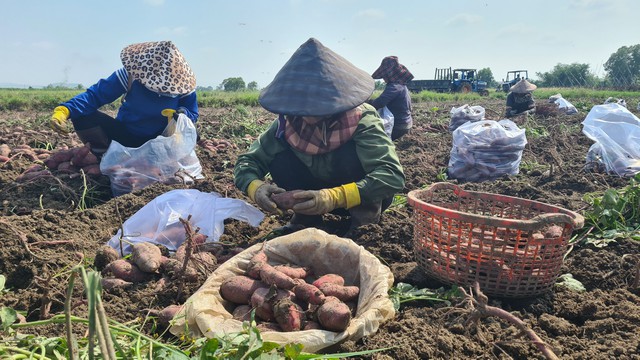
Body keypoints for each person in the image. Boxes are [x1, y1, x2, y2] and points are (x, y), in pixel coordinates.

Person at [234, 38, 405, 236]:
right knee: (279, 158)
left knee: (352, 156)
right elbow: (247, 162)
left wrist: (333, 197)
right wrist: (256, 188)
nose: (307, 116)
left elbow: (392, 175)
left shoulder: (361, 118)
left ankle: (363, 225)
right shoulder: (286, 124)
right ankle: (305, 220)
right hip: (308, 200)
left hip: (357, 197)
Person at [49, 41, 199, 156]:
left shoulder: (183, 86)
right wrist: (65, 110)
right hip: (124, 136)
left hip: (161, 143)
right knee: (83, 116)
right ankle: (104, 156)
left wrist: (181, 114)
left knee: (193, 133)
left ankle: (164, 162)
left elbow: (192, 113)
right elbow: (95, 95)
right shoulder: (131, 75)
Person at [368, 56, 414, 140]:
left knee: (371, 136)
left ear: (389, 75)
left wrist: (366, 103)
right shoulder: (401, 85)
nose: (384, 79)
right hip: (406, 122)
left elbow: (380, 102)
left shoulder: (395, 86)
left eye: (384, 76)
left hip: (399, 125)